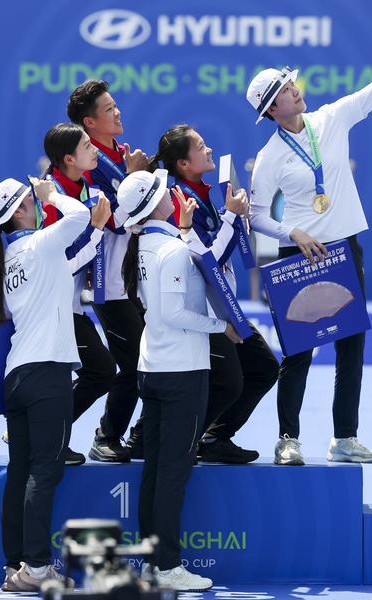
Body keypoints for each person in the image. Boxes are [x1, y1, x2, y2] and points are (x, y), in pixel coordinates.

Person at [245, 8, 372, 465]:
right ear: (272, 109)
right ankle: (288, 439)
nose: (295, 90)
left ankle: (344, 438)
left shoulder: (332, 118)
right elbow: (257, 215)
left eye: (292, 84)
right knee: (299, 352)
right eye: (286, 90)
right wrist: (292, 230)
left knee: (351, 347)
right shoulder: (269, 157)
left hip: (344, 249)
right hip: (298, 253)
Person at [118, 169, 242, 591]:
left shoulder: (146, 245)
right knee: (172, 474)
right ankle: (168, 567)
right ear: (156, 204)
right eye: (163, 190)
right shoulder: (170, 250)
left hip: (154, 367)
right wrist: (220, 326)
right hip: (180, 372)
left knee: (156, 472)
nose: (172, 192)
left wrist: (187, 230)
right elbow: (173, 313)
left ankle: (153, 563)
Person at [150, 125, 281, 464]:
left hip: (225, 306)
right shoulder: (179, 200)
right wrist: (230, 215)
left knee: (265, 368)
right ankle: (179, 441)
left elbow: (214, 246)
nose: (209, 150)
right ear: (183, 163)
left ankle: (214, 437)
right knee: (229, 383)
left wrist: (234, 217)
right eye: (201, 146)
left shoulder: (202, 192)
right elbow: (206, 259)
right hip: (204, 311)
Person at [0, 176, 88, 591]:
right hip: (47, 372)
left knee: (21, 472)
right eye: (32, 199)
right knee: (44, 471)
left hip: (18, 374)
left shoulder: (10, 256)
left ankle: (15, 565)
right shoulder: (41, 244)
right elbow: (79, 216)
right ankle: (38, 568)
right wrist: (54, 194)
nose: (39, 202)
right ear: (20, 211)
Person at [67, 80, 149, 462]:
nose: (118, 113)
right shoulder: (88, 163)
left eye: (116, 105)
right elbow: (113, 221)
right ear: (89, 122)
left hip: (137, 280)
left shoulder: (120, 153)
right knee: (129, 366)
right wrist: (134, 181)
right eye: (109, 109)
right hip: (109, 282)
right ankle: (104, 436)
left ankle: (138, 437)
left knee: (146, 364)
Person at [43, 123, 116, 465]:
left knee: (96, 371)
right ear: (69, 159)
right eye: (88, 146)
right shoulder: (50, 201)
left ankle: (42, 434)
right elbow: (57, 264)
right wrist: (97, 230)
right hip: (52, 306)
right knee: (99, 371)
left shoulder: (83, 184)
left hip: (69, 304)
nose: (95, 150)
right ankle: (45, 438)